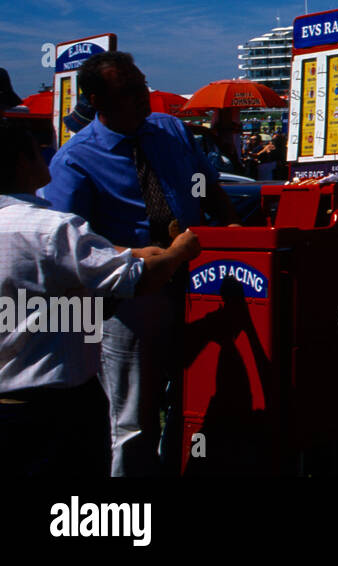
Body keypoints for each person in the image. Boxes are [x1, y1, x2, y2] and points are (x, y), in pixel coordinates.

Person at [40, 51, 239, 476]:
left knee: (194, 393)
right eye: (129, 92)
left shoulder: (169, 130)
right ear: (97, 99)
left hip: (197, 277)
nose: (143, 98)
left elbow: (208, 186)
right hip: (131, 297)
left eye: (142, 85)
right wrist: (134, 262)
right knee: (133, 414)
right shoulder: (74, 160)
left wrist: (233, 231)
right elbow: (66, 245)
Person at [0, 118, 201, 477]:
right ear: (20, 162)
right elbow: (137, 280)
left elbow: (95, 261)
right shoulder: (53, 229)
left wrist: (141, 253)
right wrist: (178, 253)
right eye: (37, 149)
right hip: (57, 406)